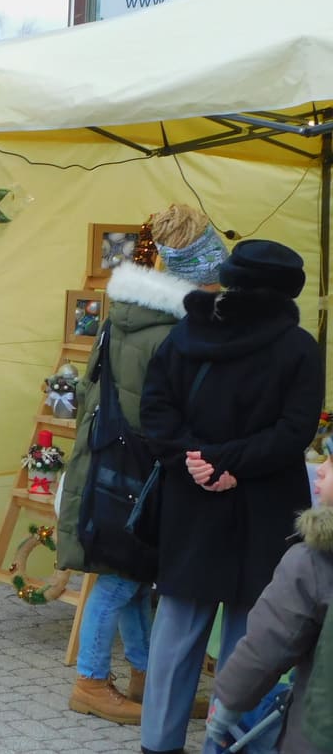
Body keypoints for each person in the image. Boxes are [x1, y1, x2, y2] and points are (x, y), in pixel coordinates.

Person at [139, 239, 324, 754]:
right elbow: (295, 430)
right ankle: (234, 744)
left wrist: (197, 462)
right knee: (253, 638)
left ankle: (158, 745)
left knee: (177, 631)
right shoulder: (299, 347)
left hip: (192, 499)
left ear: (230, 278)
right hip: (265, 503)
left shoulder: (184, 333)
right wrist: (228, 464)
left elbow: (155, 413)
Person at [56, 206, 223, 725]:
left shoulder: (126, 312)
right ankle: (90, 681)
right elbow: (175, 408)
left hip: (110, 459)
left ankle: (147, 679)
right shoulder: (177, 329)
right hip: (144, 466)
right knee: (121, 579)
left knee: (131, 571)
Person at [206, 453, 333, 753]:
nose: (320, 470)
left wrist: (226, 705)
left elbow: (267, 647)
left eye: (332, 462)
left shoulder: (314, 560)